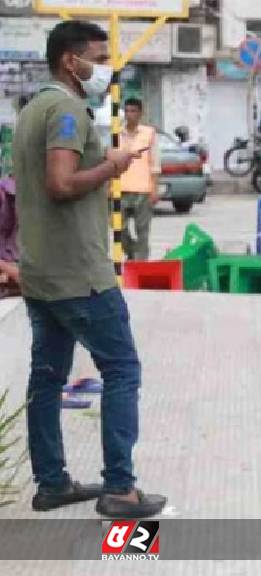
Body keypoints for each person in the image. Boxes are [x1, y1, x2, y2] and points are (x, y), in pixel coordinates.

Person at [13, 19, 167, 519]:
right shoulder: (66, 109)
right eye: (99, 60)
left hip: (41, 272)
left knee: (48, 378)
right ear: (69, 61)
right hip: (79, 273)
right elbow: (61, 182)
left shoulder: (33, 108)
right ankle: (120, 490)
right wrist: (115, 164)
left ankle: (52, 483)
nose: (105, 69)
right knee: (122, 369)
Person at [118, 98, 161, 262]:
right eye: (127, 111)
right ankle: (132, 251)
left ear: (140, 113)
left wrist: (154, 189)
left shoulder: (149, 133)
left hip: (143, 189)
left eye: (133, 111)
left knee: (143, 230)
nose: (130, 115)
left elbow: (155, 162)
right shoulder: (117, 133)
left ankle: (141, 263)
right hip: (120, 188)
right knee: (118, 228)